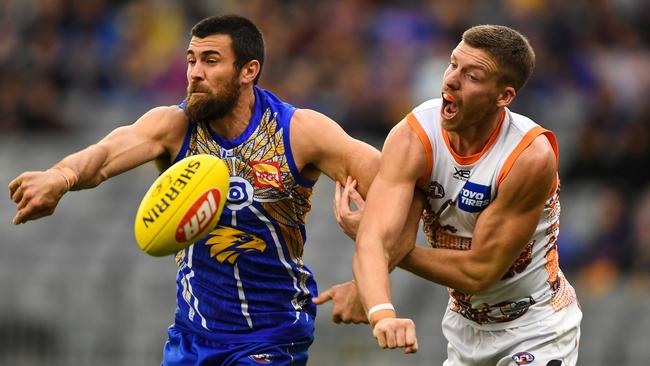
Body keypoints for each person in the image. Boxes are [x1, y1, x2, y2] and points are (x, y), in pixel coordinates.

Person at [8, 14, 387, 366]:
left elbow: (391, 187)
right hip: (192, 339)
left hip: (272, 337)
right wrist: (60, 177)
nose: (194, 73)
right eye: (191, 60)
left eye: (210, 60)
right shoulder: (174, 126)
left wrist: (369, 283)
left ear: (248, 71)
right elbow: (105, 155)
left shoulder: (299, 131)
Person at [328, 25, 582, 364]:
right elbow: (376, 238)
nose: (450, 80)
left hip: (537, 328)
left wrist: (391, 249)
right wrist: (381, 311)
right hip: (463, 331)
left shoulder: (528, 156)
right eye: (452, 64)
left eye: (473, 76)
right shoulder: (413, 136)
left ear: (503, 96)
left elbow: (479, 272)